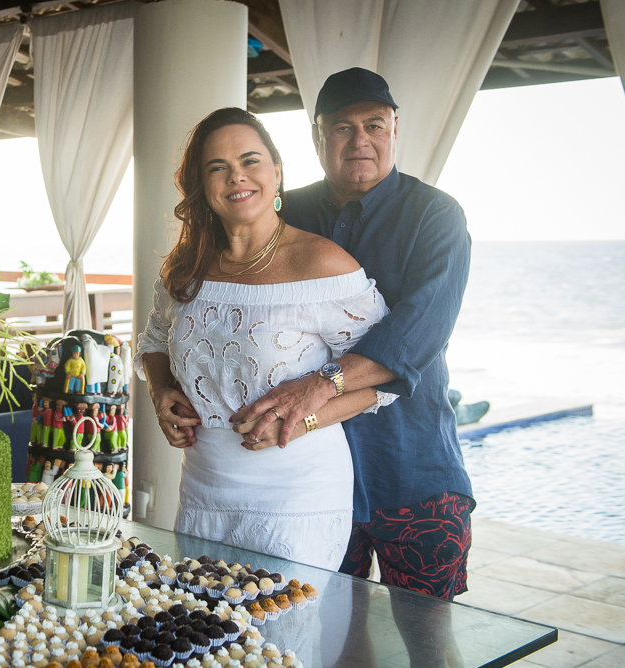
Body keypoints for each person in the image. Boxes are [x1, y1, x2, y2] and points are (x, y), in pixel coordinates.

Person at [235, 68, 475, 600]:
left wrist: (319, 385)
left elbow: (417, 334)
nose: (360, 139)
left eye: (374, 124)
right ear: (318, 134)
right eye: (343, 127)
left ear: (394, 128)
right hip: (307, 471)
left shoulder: (435, 216)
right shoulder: (279, 213)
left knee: (430, 638)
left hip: (412, 468)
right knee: (328, 635)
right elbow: (234, 302)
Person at [135, 107, 397, 569]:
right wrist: (160, 393)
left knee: (283, 634)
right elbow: (154, 342)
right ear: (202, 185)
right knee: (204, 629)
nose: (236, 176)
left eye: (250, 160)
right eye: (218, 167)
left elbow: (384, 375)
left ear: (276, 171)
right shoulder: (185, 266)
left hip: (296, 493)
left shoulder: (324, 265)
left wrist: (301, 421)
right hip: (202, 490)